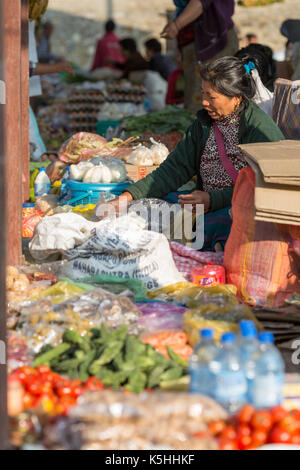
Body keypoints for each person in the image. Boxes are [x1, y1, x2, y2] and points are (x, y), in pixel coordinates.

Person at [97, 57, 284, 251]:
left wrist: (213, 199)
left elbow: (262, 186)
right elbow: (173, 169)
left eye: (211, 97)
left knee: (210, 226)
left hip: (236, 207)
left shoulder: (261, 130)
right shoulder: (203, 125)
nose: (204, 102)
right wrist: (127, 196)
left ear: (236, 97)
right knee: (149, 206)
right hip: (202, 203)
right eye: (203, 94)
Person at [161, 0, 239, 114]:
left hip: (212, 44)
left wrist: (176, 25)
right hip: (194, 42)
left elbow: (200, 2)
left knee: (211, 97)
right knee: (197, 96)